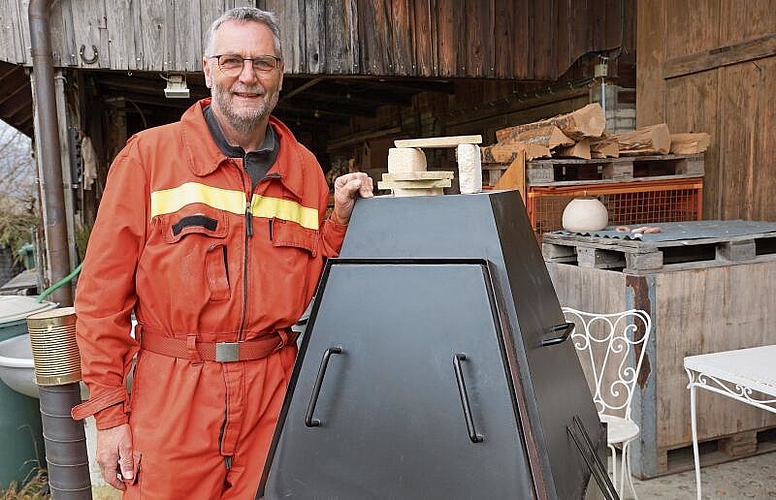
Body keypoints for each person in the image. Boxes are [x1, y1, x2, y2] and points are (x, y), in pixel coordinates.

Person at [71, 7, 373, 499]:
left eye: (263, 63)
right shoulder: (148, 159)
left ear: (280, 75)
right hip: (172, 392)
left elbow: (320, 275)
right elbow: (101, 301)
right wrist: (109, 415)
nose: (247, 77)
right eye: (232, 61)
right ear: (208, 69)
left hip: (272, 388)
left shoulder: (304, 170)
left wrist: (339, 220)